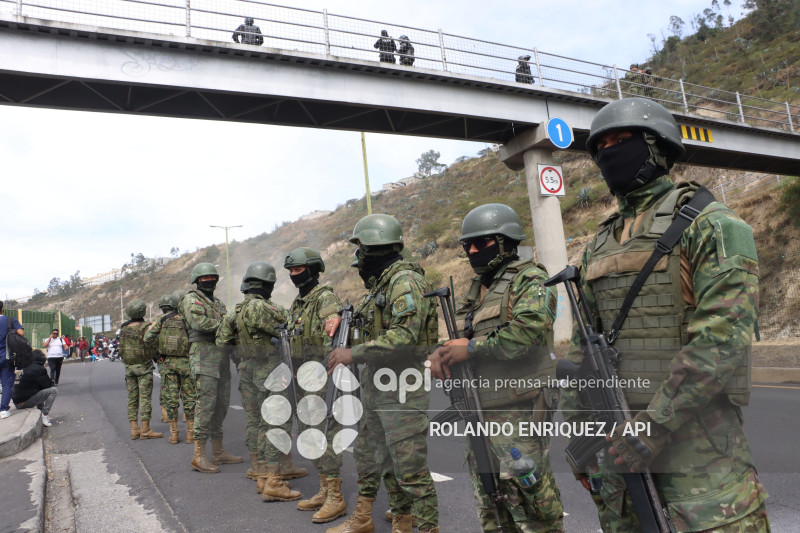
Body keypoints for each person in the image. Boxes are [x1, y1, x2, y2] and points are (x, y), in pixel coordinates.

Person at [560, 97, 769, 532]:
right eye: (600, 146)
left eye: (622, 140)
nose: (607, 152)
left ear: (657, 147)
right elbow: (584, 356)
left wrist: (652, 428)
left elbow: (721, 343)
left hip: (697, 456)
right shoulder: (598, 246)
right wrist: (581, 439)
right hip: (619, 453)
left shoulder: (712, 225)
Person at [428, 203, 564, 532]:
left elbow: (529, 333)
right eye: (468, 246)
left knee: (533, 508)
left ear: (505, 243)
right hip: (480, 412)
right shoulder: (476, 292)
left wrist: (473, 348)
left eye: (482, 244)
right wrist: (441, 352)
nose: (473, 251)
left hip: (517, 411)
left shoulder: (530, 278)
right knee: (491, 505)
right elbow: (461, 339)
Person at [328, 214, 439, 533]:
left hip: (402, 387)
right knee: (372, 454)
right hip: (377, 385)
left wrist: (354, 353)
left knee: (410, 467)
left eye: (361, 249)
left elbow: (405, 336)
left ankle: (427, 527)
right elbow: (372, 326)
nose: (358, 259)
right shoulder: (383, 284)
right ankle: (382, 518)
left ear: (375, 249)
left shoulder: (404, 281)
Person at [216, 262, 297, 498]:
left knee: (255, 421)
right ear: (268, 284)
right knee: (275, 422)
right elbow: (291, 329)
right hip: (270, 369)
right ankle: (274, 481)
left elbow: (222, 343)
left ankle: (260, 472)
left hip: (246, 370)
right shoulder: (267, 309)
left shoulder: (235, 312)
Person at [283, 247, 348, 523]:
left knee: (326, 436)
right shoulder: (298, 304)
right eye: (291, 271)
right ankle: (323, 489)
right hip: (301, 380)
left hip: (321, 380)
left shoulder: (325, 299)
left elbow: (330, 343)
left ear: (313, 270)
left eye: (298, 270)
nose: (293, 275)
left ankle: (336, 496)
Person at [179, 262, 241, 474]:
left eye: (212, 278)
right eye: (204, 278)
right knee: (205, 405)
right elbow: (199, 323)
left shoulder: (219, 304)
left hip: (221, 357)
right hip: (204, 357)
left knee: (221, 404)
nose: (209, 281)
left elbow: (227, 330)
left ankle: (218, 451)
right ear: (196, 281)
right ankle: (198, 455)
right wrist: (228, 326)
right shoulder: (191, 300)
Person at [145, 294, 195, 444]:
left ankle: (173, 434)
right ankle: (190, 434)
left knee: (171, 398)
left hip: (168, 364)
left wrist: (158, 354)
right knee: (189, 397)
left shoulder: (161, 320)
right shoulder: (188, 319)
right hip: (187, 363)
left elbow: (147, 338)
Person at [120, 299, 163, 440]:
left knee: (132, 399)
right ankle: (145, 429)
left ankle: (134, 429)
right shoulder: (146, 327)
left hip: (129, 368)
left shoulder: (124, 329)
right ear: (142, 312)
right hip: (144, 367)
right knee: (144, 398)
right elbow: (153, 344)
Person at [12, 350, 56, 426]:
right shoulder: (38, 368)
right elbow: (49, 385)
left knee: (40, 386)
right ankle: (44, 415)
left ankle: (40, 410)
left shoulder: (25, 366)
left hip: (17, 401)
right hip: (22, 403)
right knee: (53, 391)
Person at [1, 302, 24, 419]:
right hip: (6, 357)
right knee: (6, 384)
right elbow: (21, 332)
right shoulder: (10, 320)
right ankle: (4, 410)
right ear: (3, 309)